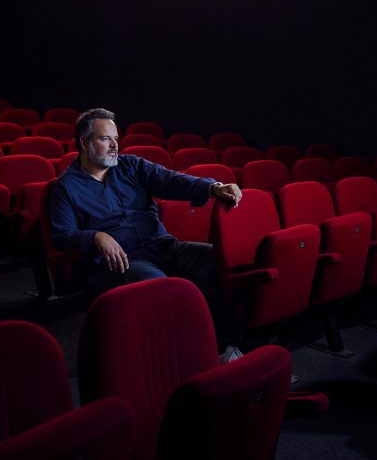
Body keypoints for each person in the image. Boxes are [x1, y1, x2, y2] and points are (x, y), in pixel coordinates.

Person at [48, 108, 243, 359]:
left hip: (162, 245)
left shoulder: (131, 165)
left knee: (220, 261)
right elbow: (62, 235)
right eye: (106, 139)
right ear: (84, 142)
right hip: (120, 262)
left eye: (116, 139)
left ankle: (222, 347)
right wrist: (96, 236)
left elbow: (171, 180)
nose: (114, 145)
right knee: (161, 286)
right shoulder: (65, 187)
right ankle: (187, 357)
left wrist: (213, 188)